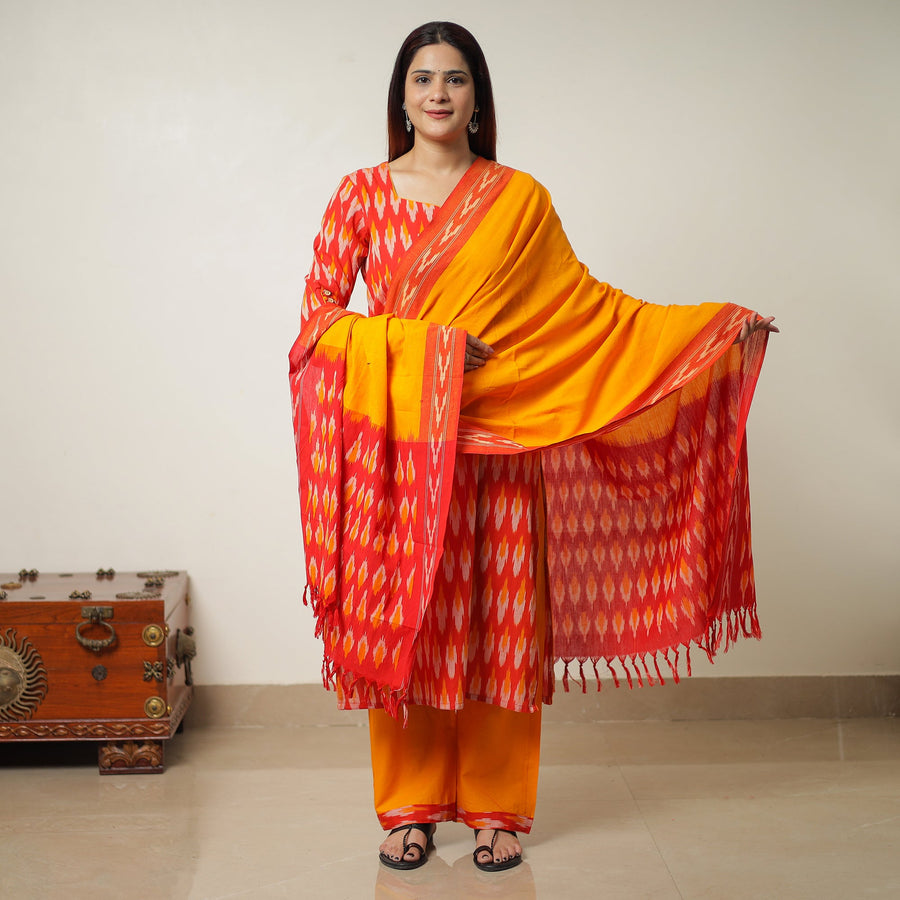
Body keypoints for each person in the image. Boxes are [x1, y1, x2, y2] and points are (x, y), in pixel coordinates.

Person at [289, 21, 777, 873]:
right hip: (408, 451)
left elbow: (591, 312)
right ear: (400, 97)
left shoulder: (519, 200)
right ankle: (409, 806)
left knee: (503, 628)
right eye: (422, 78)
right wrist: (431, 349)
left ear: (478, 98)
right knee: (413, 624)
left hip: (507, 445)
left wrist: (710, 330)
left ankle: (497, 809)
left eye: (455, 79)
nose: (438, 94)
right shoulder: (360, 195)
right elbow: (318, 326)